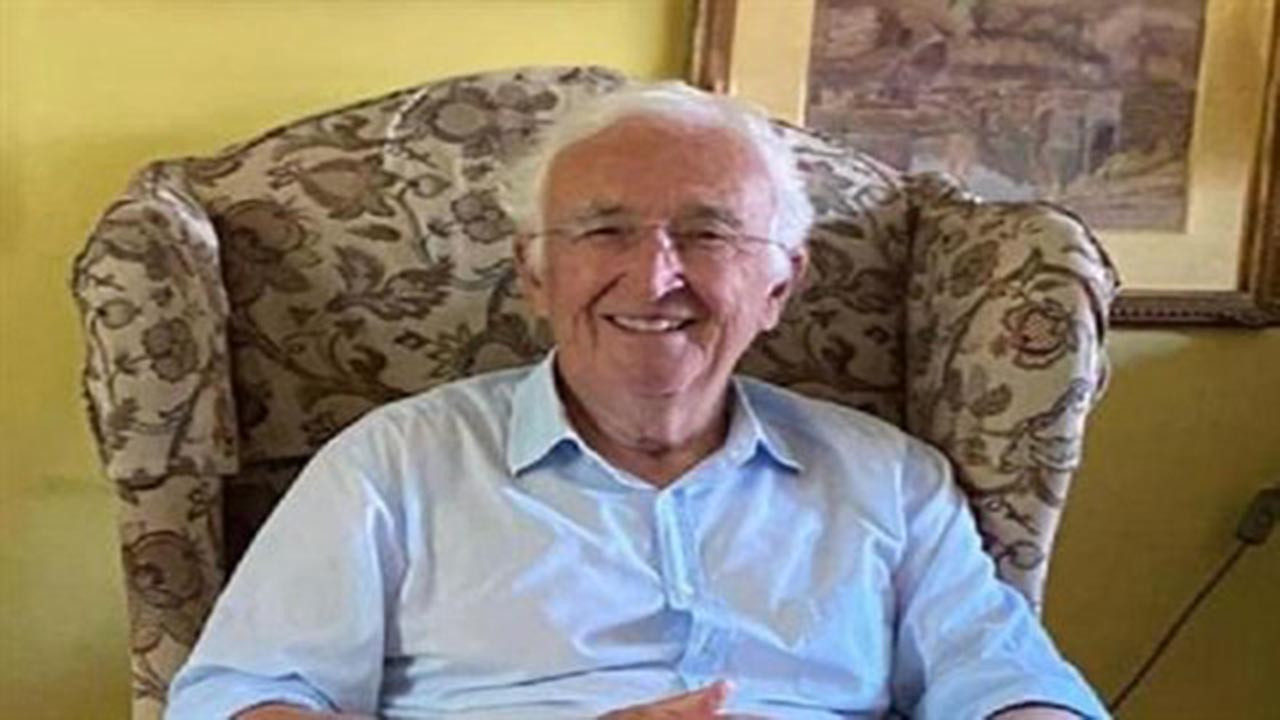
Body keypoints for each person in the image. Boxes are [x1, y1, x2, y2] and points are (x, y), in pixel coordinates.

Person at [167, 83, 1107, 720]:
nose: (655, 279)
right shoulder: (394, 464)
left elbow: (1011, 686)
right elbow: (236, 698)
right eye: (604, 231)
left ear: (779, 287)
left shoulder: (888, 478)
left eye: (708, 234)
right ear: (535, 274)